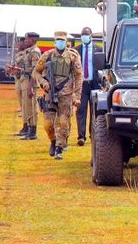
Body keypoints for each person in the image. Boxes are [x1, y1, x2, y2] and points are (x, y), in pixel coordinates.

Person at [32, 31, 83, 160]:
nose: (60, 43)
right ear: (54, 42)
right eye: (58, 40)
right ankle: (53, 141)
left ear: (66, 42)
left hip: (66, 95)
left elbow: (78, 77)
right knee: (48, 124)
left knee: (63, 122)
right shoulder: (47, 56)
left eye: (63, 40)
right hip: (50, 94)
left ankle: (60, 148)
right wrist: (43, 82)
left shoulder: (73, 56)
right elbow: (36, 73)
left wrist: (77, 97)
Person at [13, 32, 42, 140]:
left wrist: (30, 86)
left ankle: (33, 131)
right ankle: (28, 128)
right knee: (26, 106)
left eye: (27, 39)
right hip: (25, 80)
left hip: (30, 82)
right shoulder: (28, 51)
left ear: (33, 40)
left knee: (31, 106)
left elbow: (35, 71)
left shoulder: (35, 52)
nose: (25, 41)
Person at [75, 27, 98, 146]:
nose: (84, 36)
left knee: (95, 111)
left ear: (91, 35)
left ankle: (93, 134)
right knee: (81, 109)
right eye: (82, 34)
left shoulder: (98, 50)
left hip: (95, 84)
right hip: (82, 85)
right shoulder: (76, 50)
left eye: (86, 34)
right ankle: (81, 136)